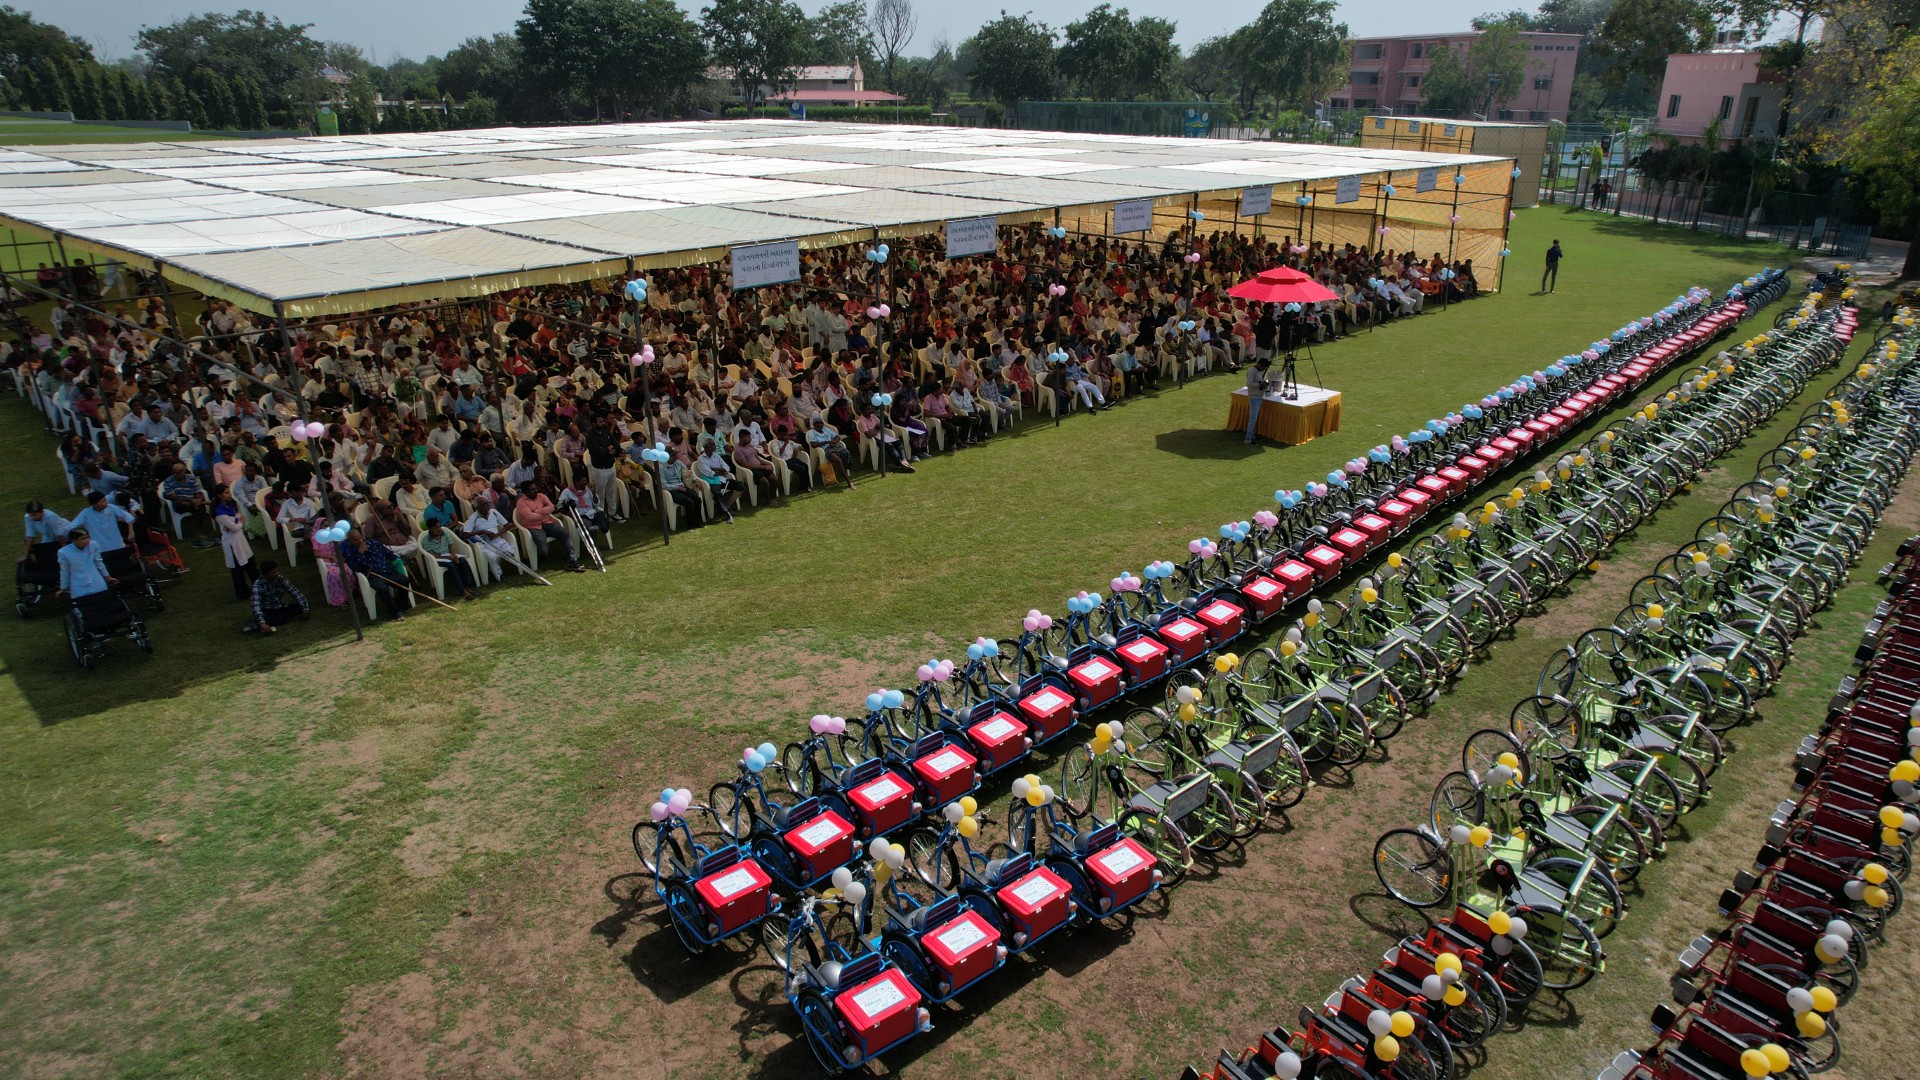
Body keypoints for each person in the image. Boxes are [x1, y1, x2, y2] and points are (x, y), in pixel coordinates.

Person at [340, 526, 408, 622]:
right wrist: (360, 553)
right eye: (356, 540)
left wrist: (398, 560)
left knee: (404, 580)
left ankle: (400, 605)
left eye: (360, 537)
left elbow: (389, 554)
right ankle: (396, 612)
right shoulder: (350, 552)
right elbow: (355, 568)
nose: (360, 541)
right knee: (382, 588)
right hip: (372, 576)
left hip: (386, 572)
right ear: (350, 541)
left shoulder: (374, 543)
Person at [513, 482, 580, 571]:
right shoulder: (521, 502)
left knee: (564, 534)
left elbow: (552, 507)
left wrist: (537, 511)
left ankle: (572, 560)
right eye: (532, 490)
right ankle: (536, 557)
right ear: (526, 492)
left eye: (535, 488)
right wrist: (544, 513)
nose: (536, 490)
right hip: (533, 527)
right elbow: (530, 517)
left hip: (547, 523)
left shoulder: (541, 496)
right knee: (543, 551)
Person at [213, 484, 258, 601]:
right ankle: (242, 593)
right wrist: (240, 522)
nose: (229, 495)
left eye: (229, 492)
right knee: (238, 569)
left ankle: (259, 585)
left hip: (240, 540)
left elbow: (236, 519)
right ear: (220, 495)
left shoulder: (230, 505)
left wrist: (236, 521)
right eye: (226, 493)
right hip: (232, 543)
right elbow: (235, 527)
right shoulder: (220, 512)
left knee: (250, 563)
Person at [245, 560, 311, 633]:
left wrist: (305, 609)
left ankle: (279, 620)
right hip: (268, 611)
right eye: (273, 572)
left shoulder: (280, 579)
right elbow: (256, 605)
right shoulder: (258, 585)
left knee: (303, 604)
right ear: (266, 574)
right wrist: (262, 623)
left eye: (277, 571)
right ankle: (266, 623)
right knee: (266, 618)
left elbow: (295, 592)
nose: (277, 573)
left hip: (281, 608)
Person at [419, 521, 480, 599]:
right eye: (436, 528)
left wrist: (454, 556)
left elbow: (452, 547)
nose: (439, 529)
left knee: (462, 560)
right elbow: (432, 555)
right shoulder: (426, 540)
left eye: (440, 526)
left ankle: (468, 587)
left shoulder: (445, 534)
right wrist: (448, 558)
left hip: (448, 555)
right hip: (438, 559)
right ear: (430, 529)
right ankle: (463, 590)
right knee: (451, 565)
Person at [462, 495, 517, 579]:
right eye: (484, 504)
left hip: (497, 539)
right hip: (484, 543)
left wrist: (497, 534)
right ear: (477, 507)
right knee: (492, 557)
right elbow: (465, 534)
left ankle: (517, 568)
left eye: (488, 503)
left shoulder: (493, 512)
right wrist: (482, 532)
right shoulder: (473, 518)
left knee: (509, 552)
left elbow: (508, 525)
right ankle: (499, 575)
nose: (487, 506)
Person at [55, 526, 115, 601]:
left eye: (87, 537)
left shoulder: (93, 545)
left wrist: (108, 578)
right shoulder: (64, 552)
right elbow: (65, 571)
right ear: (74, 540)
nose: (87, 540)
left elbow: (99, 563)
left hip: (97, 582)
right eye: (83, 538)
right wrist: (63, 588)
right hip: (78, 585)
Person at [71, 489, 135, 554]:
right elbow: (72, 526)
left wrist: (131, 531)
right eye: (102, 502)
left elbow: (128, 516)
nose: (105, 503)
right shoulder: (86, 513)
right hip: (100, 549)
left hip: (118, 545)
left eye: (105, 500)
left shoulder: (111, 507)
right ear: (94, 504)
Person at [1244, 356, 1271, 445]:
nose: (1263, 369)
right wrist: (1260, 384)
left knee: (1254, 418)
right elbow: (1249, 384)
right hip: (1254, 397)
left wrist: (1263, 384)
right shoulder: (1252, 370)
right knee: (1253, 418)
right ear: (1259, 365)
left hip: (1258, 396)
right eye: (1263, 367)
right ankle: (1248, 438)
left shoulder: (1259, 371)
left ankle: (1252, 435)